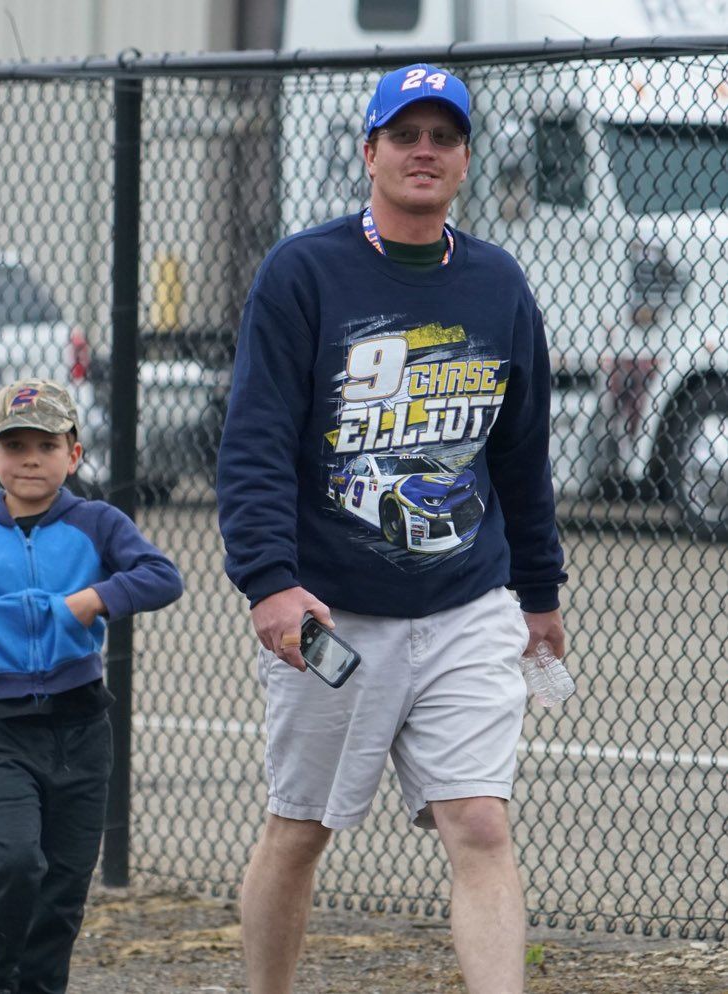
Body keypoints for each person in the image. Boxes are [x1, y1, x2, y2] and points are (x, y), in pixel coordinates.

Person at [216, 65, 567, 994]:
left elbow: (522, 455)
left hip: (465, 603)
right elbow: (252, 443)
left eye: (443, 137)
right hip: (333, 614)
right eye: (403, 135)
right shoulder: (305, 271)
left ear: (463, 160)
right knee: (300, 832)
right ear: (368, 152)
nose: (424, 151)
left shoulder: (497, 281)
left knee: (481, 824)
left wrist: (540, 594)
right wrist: (269, 582)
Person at [0, 379, 183, 994]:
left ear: (73, 455)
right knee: (16, 861)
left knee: (63, 890)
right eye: (15, 444)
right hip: (5, 733)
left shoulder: (97, 523)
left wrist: (96, 599)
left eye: (47, 445)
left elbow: (163, 576)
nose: (31, 458)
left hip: (82, 730)